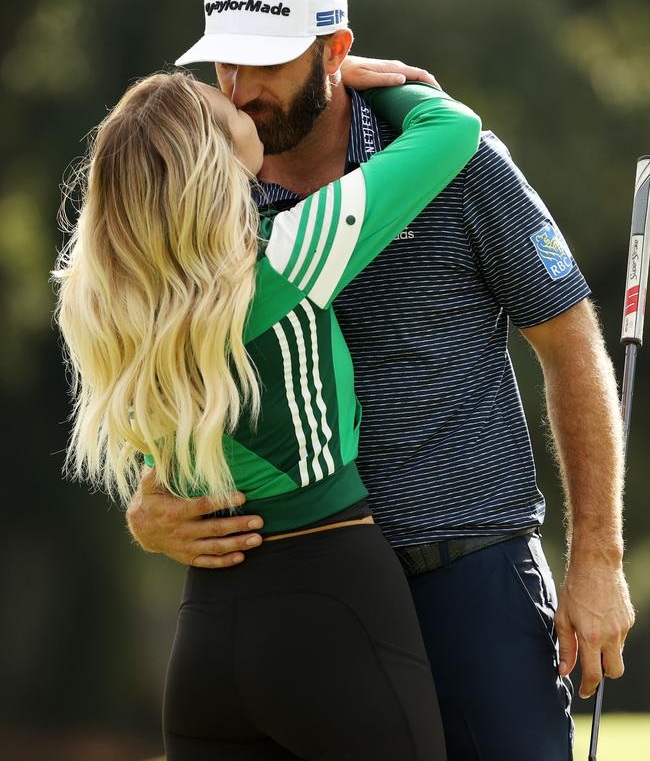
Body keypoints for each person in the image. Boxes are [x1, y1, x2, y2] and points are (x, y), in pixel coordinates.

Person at [127, 0, 635, 760]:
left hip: (470, 575)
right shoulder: (201, 194)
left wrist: (599, 557)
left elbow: (571, 341)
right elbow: (155, 363)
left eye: (268, 65)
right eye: (224, 65)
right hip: (296, 587)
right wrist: (148, 496)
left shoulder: (466, 170)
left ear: (336, 52)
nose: (239, 90)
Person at [53, 65, 481, 759]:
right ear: (215, 157)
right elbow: (452, 128)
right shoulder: (289, 255)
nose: (245, 103)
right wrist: (343, 76)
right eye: (230, 109)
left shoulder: (99, 306)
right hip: (333, 605)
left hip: (204, 641)